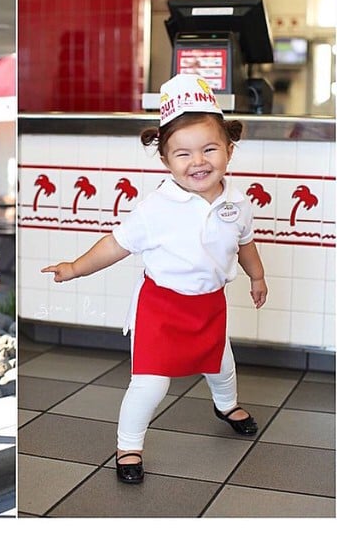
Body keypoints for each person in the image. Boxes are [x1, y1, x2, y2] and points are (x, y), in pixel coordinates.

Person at [42, 74, 268, 483]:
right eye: (183, 154)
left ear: (229, 151)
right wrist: (75, 267)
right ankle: (128, 446)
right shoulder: (156, 207)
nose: (197, 161)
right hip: (162, 308)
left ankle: (226, 405)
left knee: (221, 364)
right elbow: (115, 244)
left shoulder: (238, 202)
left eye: (209, 149)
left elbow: (246, 244)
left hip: (209, 304)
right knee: (150, 385)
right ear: (165, 160)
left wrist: (257, 277)